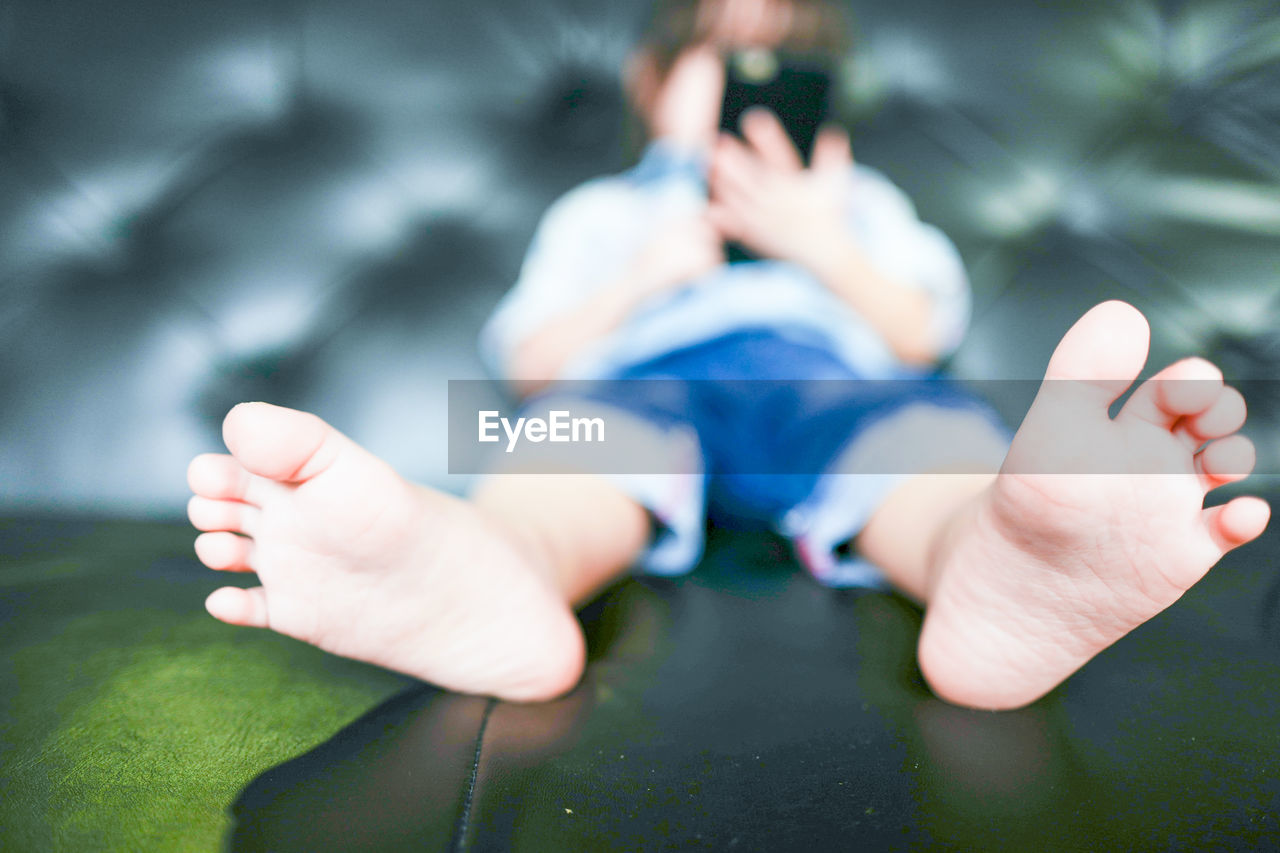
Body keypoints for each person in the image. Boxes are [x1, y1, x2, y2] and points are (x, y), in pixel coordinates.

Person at [185, 0, 1269, 711]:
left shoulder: (856, 202)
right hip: (637, 382)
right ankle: (496, 572)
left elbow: (918, 335)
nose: (757, 77)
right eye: (727, 55)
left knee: (925, 442)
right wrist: (646, 274)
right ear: (654, 88)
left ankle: (988, 566)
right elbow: (528, 366)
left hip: (832, 383)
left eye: (786, 64)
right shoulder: (604, 212)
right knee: (563, 450)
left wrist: (821, 245)